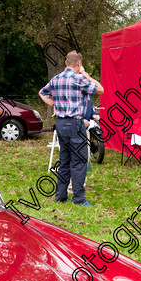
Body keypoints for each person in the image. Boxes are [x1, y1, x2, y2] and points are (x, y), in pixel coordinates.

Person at [39, 51, 104, 206]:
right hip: (75, 123)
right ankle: (79, 199)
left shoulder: (56, 79)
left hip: (61, 123)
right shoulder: (79, 78)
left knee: (65, 160)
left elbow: (42, 92)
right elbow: (100, 89)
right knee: (80, 161)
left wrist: (55, 104)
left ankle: (60, 196)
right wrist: (86, 75)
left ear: (66, 63)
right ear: (79, 64)